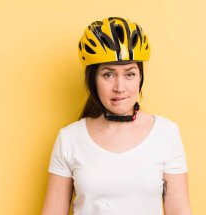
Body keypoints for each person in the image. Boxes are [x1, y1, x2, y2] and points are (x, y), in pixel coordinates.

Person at [41, 17, 192, 215]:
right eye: (108, 75)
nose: (119, 88)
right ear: (93, 79)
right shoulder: (70, 138)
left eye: (129, 74)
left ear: (140, 78)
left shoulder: (166, 133)